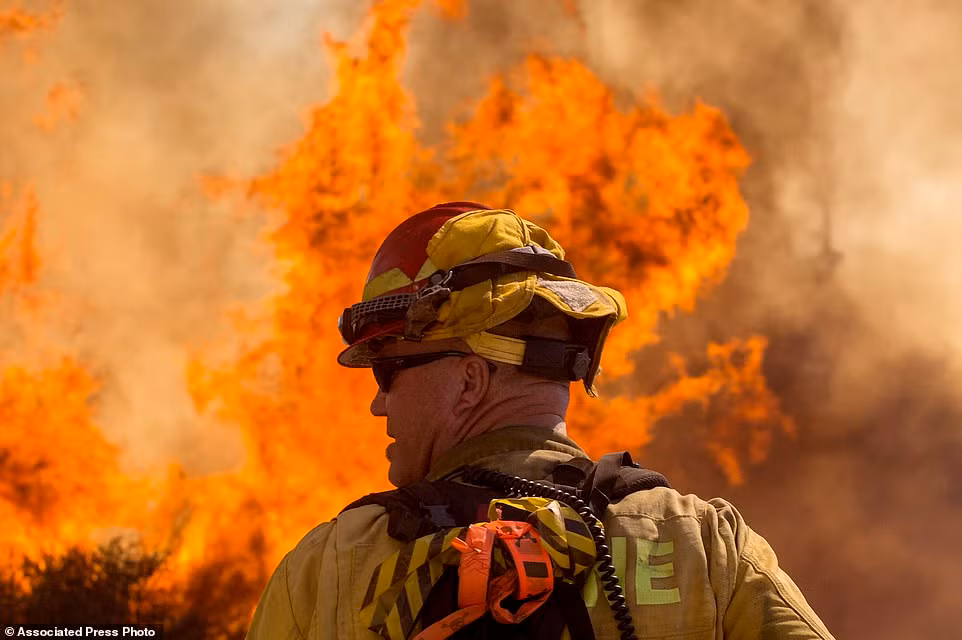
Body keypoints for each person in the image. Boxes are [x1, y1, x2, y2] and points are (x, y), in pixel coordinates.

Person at [246, 202, 835, 640]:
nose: (379, 404)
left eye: (388, 372)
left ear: (470, 381)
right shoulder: (704, 544)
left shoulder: (330, 566)